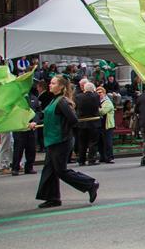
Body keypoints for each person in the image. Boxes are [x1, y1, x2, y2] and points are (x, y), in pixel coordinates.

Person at [31, 76, 99, 208]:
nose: (50, 85)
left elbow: (73, 119)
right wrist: (36, 122)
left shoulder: (62, 101)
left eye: (53, 83)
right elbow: (46, 116)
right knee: (49, 170)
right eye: (50, 83)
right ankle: (53, 198)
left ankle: (90, 184)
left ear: (61, 87)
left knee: (61, 170)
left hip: (61, 140)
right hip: (53, 140)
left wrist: (62, 129)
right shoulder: (54, 100)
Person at [12, 91, 40, 175]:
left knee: (31, 148)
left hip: (32, 127)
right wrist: (24, 123)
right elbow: (13, 113)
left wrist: (35, 122)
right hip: (20, 127)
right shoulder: (15, 97)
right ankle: (15, 168)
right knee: (18, 148)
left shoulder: (34, 98)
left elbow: (38, 111)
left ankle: (29, 167)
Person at [75, 82, 101, 165]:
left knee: (82, 142)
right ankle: (91, 159)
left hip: (82, 122)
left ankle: (81, 160)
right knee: (93, 142)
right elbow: (98, 106)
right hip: (94, 122)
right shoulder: (96, 96)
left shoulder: (78, 97)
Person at [97, 86, 116, 163]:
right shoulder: (98, 101)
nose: (99, 94)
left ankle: (109, 157)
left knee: (108, 142)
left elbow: (102, 111)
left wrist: (95, 108)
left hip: (107, 125)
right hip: (100, 124)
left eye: (100, 92)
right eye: (97, 93)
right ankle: (102, 157)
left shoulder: (107, 101)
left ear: (104, 93)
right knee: (100, 142)